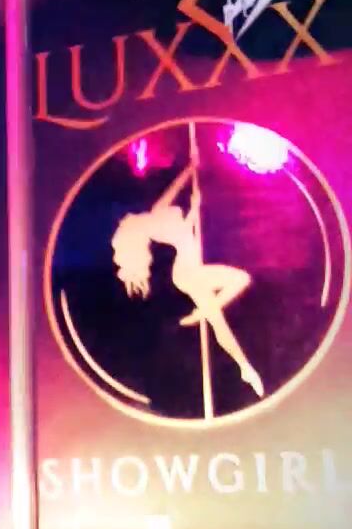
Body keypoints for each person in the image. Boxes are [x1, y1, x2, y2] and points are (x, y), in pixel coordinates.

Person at [111, 161, 264, 397]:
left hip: (188, 272)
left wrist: (193, 195)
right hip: (188, 272)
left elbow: (184, 230)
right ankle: (199, 314)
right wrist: (190, 173)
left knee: (219, 324)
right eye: (126, 218)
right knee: (240, 279)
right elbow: (180, 223)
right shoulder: (155, 220)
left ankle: (245, 368)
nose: (128, 216)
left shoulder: (157, 217)